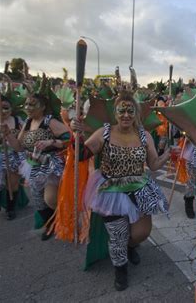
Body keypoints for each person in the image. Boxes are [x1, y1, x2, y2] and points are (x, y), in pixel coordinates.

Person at [71, 92, 170, 291]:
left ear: (136, 113)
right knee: (118, 235)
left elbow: (153, 164)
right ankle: (120, 270)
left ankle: (130, 246)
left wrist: (168, 154)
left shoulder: (144, 135)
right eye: (121, 110)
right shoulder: (104, 132)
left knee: (141, 233)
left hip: (140, 189)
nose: (126, 114)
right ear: (115, 113)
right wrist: (76, 135)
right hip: (111, 191)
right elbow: (81, 155)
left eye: (130, 110)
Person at [4, 77, 70, 240]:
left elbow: (70, 139)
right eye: (26, 104)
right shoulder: (27, 122)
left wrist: (52, 141)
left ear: (43, 107)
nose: (28, 107)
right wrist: (7, 134)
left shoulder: (50, 121)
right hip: (32, 166)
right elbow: (19, 146)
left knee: (50, 199)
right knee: (39, 203)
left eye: (32, 104)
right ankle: (50, 225)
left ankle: (66, 220)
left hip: (50, 166)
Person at [0, 95, 24, 220]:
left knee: (12, 183)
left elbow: (25, 137)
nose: (2, 111)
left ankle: (10, 208)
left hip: (13, 154)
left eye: (5, 108)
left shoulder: (17, 120)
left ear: (11, 108)